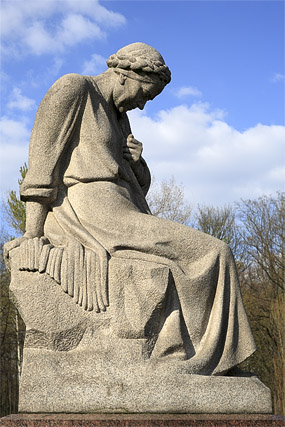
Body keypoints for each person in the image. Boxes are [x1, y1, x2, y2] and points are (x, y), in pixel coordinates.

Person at [5, 42, 256, 375]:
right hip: (94, 210)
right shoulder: (74, 88)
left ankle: (192, 356)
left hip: (124, 209)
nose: (143, 104)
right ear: (124, 73)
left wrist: (138, 164)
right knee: (215, 252)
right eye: (144, 93)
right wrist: (33, 233)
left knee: (200, 256)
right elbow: (42, 160)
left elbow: (135, 184)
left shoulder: (119, 117)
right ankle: (204, 360)